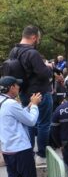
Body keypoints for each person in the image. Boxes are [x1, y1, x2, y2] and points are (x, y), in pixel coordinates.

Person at [6, 26, 53, 163]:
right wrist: (48, 67)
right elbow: (44, 74)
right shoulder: (33, 53)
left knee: (29, 123)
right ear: (33, 37)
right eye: (38, 38)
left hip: (24, 93)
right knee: (44, 124)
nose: (38, 40)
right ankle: (42, 155)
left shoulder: (13, 52)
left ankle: (29, 152)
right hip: (40, 93)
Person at [0, 76, 41, 177]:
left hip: (7, 149)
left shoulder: (3, 102)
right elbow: (30, 121)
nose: (18, 88)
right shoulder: (11, 103)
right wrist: (35, 106)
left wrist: (29, 105)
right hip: (21, 149)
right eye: (17, 86)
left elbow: (17, 117)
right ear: (11, 87)